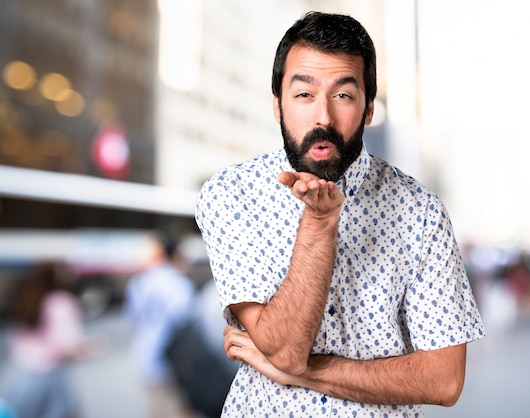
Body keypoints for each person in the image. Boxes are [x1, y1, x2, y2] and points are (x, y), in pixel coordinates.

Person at [195, 11, 485, 417]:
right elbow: (285, 349)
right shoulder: (231, 195)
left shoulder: (421, 212)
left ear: (368, 108)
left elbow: (444, 380)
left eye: (343, 95)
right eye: (303, 95)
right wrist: (319, 222)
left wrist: (301, 375)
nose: (323, 118)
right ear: (278, 105)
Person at [0, 261, 95, 418]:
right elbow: (66, 346)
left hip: (20, 373)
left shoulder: (26, 296)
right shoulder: (61, 301)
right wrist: (90, 348)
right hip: (49, 375)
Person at [124, 232, 196, 418]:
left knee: (158, 408)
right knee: (178, 410)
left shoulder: (138, 282)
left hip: (143, 356)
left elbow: (133, 318)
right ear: (174, 254)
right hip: (170, 361)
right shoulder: (178, 283)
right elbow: (185, 324)